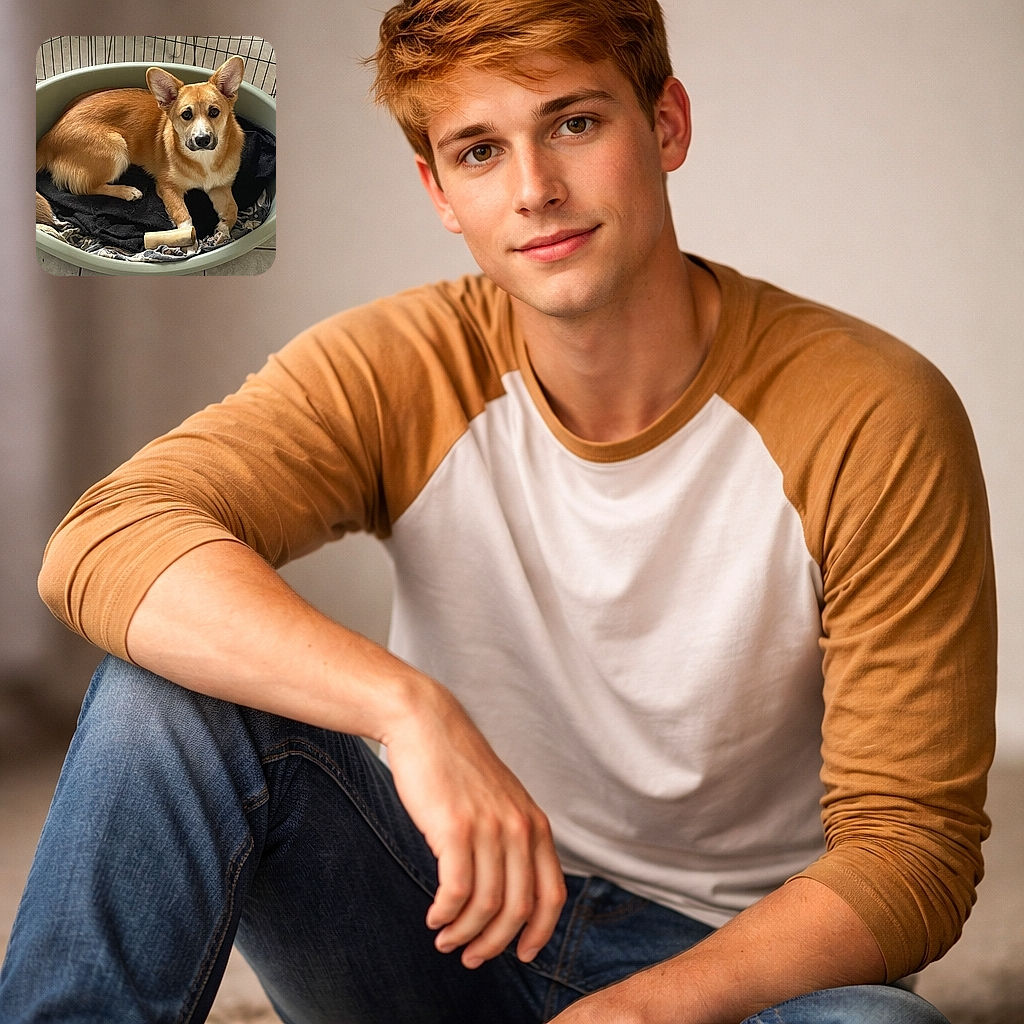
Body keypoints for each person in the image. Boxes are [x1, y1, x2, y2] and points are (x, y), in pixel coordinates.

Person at [0, 1, 996, 1021]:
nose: (535, 192)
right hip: (441, 920)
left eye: (574, 123)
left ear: (666, 124)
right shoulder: (405, 363)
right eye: (480, 150)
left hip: (728, 968)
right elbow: (107, 536)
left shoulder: (871, 410)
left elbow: (908, 847)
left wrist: (638, 1011)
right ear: (438, 188)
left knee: (880, 1023)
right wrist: (408, 707)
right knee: (167, 688)